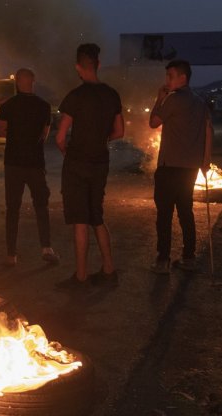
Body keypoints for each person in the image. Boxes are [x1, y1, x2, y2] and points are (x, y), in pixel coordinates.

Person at [54, 43, 124, 289]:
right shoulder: (111, 94)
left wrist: (67, 152)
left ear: (78, 67)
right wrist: (101, 139)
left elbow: (60, 137)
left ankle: (81, 277)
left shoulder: (75, 96)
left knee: (80, 221)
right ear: (98, 65)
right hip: (100, 163)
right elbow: (119, 131)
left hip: (76, 164)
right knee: (97, 216)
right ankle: (108, 269)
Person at [148, 59, 212, 275]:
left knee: (164, 213)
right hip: (190, 168)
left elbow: (154, 122)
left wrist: (159, 99)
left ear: (182, 77)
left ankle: (163, 259)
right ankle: (188, 257)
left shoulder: (173, 100)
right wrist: (205, 161)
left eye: (170, 76)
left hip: (169, 167)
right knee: (186, 211)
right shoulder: (200, 102)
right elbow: (208, 132)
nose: (167, 80)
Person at [0, 68, 59, 267]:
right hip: (35, 163)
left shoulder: (8, 105)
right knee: (41, 205)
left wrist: (16, 136)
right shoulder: (43, 106)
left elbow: (0, 131)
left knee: (12, 208)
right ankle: (46, 248)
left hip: (13, 163)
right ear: (33, 81)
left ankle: (10, 255)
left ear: (17, 83)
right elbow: (45, 134)